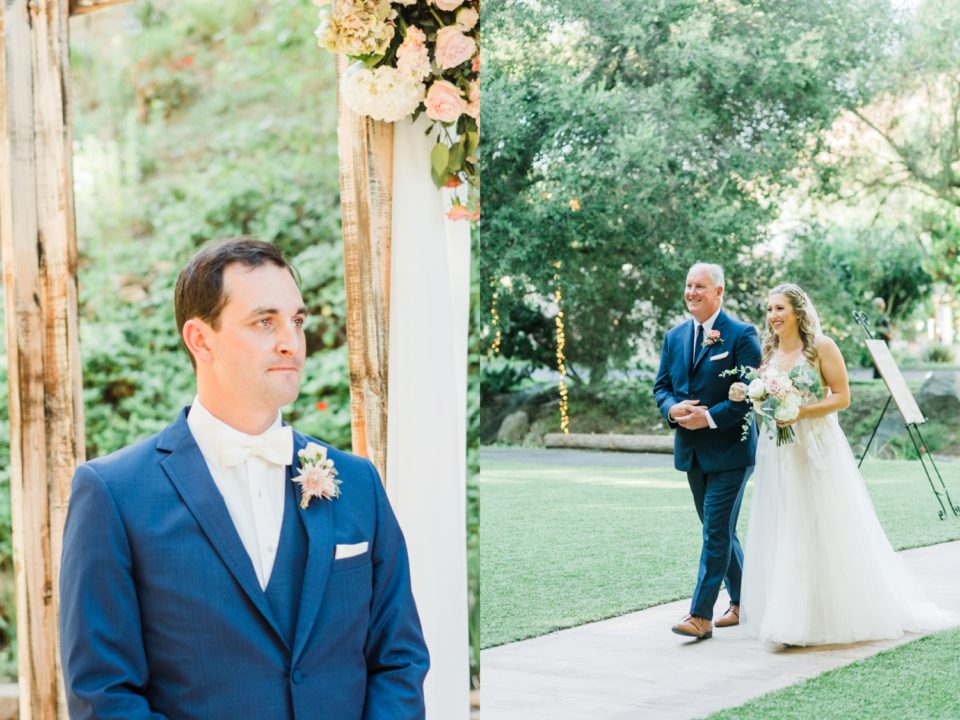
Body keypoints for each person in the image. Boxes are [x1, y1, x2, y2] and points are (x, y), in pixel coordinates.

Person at [59, 237, 429, 719]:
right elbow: (103, 693)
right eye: (264, 321)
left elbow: (398, 659)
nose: (290, 342)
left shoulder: (357, 483)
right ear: (200, 339)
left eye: (296, 320)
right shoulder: (113, 494)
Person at [730, 283, 954, 646]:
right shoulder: (769, 350)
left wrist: (800, 411)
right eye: (769, 309)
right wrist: (755, 397)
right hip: (780, 447)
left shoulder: (821, 347)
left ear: (798, 312)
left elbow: (842, 397)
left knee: (820, 521)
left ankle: (824, 614)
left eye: (780, 309)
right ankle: (789, 616)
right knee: (786, 520)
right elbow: (767, 392)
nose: (772, 316)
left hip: (816, 443)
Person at [654, 262, 761, 640]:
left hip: (732, 452)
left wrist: (710, 418)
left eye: (700, 286)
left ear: (719, 291)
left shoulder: (741, 334)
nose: (692, 292)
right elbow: (662, 386)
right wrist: (672, 409)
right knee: (719, 532)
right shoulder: (674, 336)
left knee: (715, 532)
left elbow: (753, 393)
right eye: (688, 285)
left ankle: (700, 616)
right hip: (692, 453)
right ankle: (745, 600)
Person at [872, 296, 892, 379]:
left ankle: (882, 376)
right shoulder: (878, 316)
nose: (884, 304)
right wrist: (888, 334)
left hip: (885, 341)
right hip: (880, 341)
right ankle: (878, 376)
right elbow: (880, 329)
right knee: (880, 359)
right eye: (882, 303)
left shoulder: (883, 315)